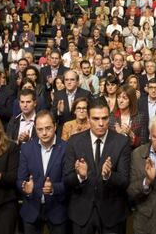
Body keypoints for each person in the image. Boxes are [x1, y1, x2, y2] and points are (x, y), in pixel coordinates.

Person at [63, 98, 131, 234]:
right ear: (88, 118)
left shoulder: (122, 142)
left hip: (112, 214)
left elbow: (125, 181)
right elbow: (67, 180)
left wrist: (109, 176)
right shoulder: (74, 142)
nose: (101, 123)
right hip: (81, 214)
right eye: (95, 118)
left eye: (105, 118)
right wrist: (80, 176)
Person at [17, 110, 68, 234]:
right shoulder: (26, 148)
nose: (44, 133)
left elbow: (70, 181)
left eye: (48, 128)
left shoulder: (66, 148)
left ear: (55, 126)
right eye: (40, 129)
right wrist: (26, 189)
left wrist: (54, 188)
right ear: (35, 128)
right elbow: (20, 180)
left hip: (58, 210)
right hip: (31, 209)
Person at [109, 84, 148, 149]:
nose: (120, 101)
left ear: (131, 100)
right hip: (114, 155)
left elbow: (144, 143)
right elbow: (107, 143)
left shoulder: (140, 117)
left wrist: (131, 135)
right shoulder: (111, 117)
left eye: (124, 98)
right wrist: (119, 135)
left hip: (133, 155)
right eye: (118, 97)